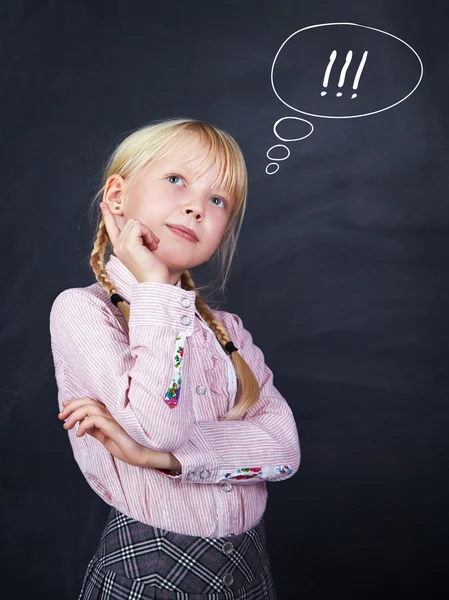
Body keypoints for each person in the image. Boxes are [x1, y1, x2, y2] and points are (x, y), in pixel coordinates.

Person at [49, 117, 301, 599]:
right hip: (151, 564)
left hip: (248, 564)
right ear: (117, 196)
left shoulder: (228, 332)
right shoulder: (82, 310)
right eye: (176, 180)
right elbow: (156, 424)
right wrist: (152, 289)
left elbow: (284, 452)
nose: (195, 206)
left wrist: (161, 459)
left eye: (218, 199)